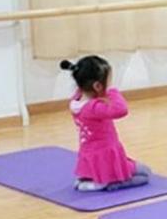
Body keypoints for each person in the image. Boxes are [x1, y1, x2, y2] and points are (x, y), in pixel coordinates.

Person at [60, 56, 150, 192]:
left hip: (90, 153)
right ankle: (108, 184)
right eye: (108, 82)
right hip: (105, 157)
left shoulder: (76, 100)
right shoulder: (94, 108)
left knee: (137, 168)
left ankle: (88, 178)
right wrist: (111, 90)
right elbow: (121, 109)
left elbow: (84, 89)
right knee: (145, 174)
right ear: (97, 86)